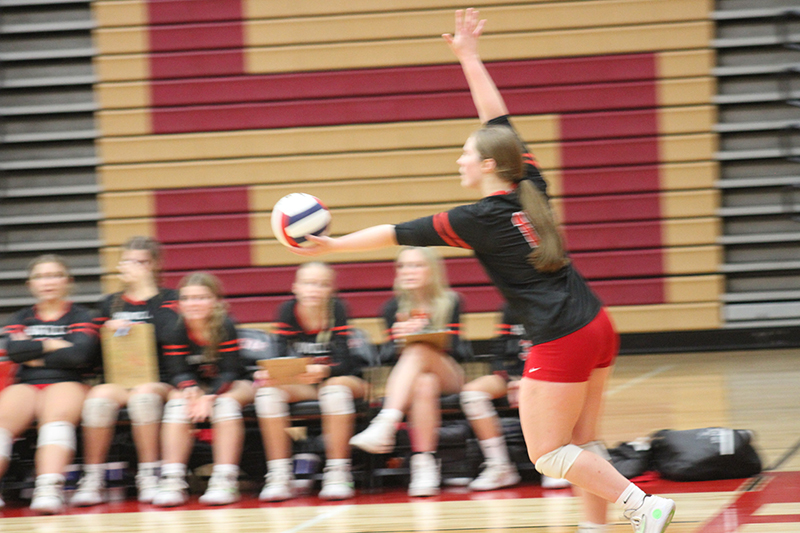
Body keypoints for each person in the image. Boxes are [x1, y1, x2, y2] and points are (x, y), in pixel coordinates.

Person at [291, 9, 675, 533]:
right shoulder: (530, 183)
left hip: (560, 336)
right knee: (584, 442)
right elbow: (498, 121)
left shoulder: (477, 219)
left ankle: (642, 505)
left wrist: (332, 246)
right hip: (596, 323)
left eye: (465, 155)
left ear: (488, 165)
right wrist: (469, 58)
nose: (460, 161)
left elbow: (393, 231)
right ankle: (596, 527)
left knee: (547, 453)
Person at [348, 246, 468, 497]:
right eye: (402, 266)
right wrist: (400, 341)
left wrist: (422, 332)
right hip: (418, 378)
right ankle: (424, 464)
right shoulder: (392, 308)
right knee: (424, 384)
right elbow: (388, 357)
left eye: (416, 265)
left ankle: (386, 423)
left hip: (451, 373)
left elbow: (457, 350)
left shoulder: (451, 301)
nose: (408, 272)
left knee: (420, 349)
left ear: (431, 270)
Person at [71, 237, 179, 506]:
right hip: (120, 379)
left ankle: (149, 474)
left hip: (160, 379)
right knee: (97, 400)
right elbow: (90, 353)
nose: (135, 267)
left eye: (142, 262)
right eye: (129, 261)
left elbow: (170, 334)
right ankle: (93, 477)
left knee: (143, 397)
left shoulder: (169, 298)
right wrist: (106, 330)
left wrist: (146, 289)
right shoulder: (110, 303)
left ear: (154, 265)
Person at [255, 262, 367, 501]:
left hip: (343, 379)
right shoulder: (287, 310)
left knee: (335, 392)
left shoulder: (337, 309)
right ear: (295, 287)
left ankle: (338, 472)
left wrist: (322, 370)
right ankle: (279, 475)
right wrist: (270, 373)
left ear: (332, 290)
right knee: (267, 394)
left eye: (322, 284)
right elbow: (277, 354)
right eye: (308, 283)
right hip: (305, 383)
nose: (314, 289)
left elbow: (345, 362)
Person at [0, 255, 99, 514]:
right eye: (41, 276)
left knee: (56, 419)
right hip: (26, 386)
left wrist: (34, 354)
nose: (48, 282)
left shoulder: (81, 315)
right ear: (31, 283)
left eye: (55, 275)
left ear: (67, 281)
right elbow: (14, 351)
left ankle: (48, 488)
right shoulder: (21, 317)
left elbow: (80, 356)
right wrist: (53, 344)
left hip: (67, 383)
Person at [151, 272, 252, 507]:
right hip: (195, 385)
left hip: (232, 383)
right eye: (186, 298)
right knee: (177, 405)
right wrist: (190, 390)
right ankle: (172, 480)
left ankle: (224, 480)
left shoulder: (225, 324)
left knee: (225, 404)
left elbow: (230, 371)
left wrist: (209, 396)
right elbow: (177, 371)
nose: (192, 304)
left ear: (216, 301)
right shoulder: (175, 327)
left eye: (201, 298)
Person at [460, 304, 568, 491]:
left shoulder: (558, 306)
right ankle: (500, 466)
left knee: (541, 391)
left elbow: (563, 351)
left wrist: (529, 380)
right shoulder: (512, 306)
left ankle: (552, 462)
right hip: (514, 376)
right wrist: (506, 377)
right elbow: (499, 347)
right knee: (472, 393)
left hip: (549, 375)